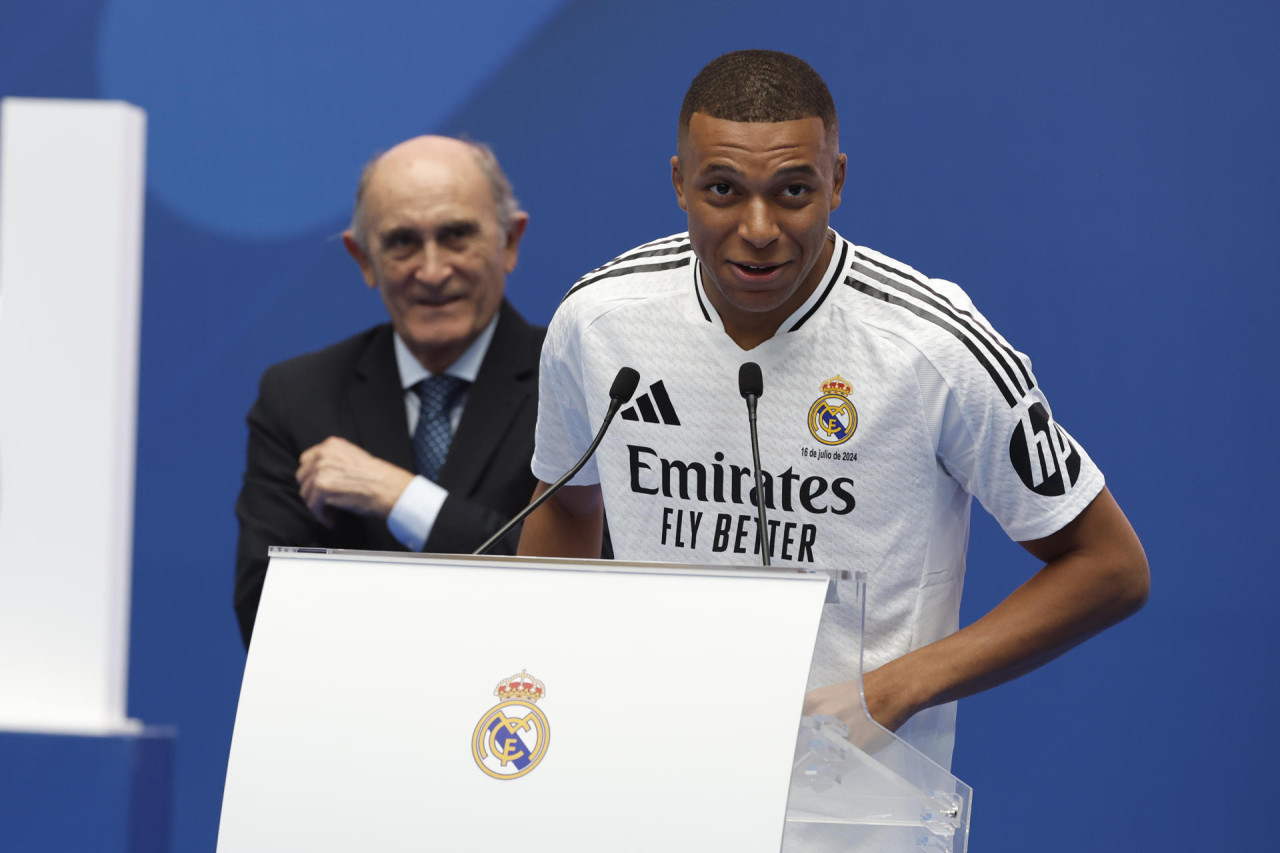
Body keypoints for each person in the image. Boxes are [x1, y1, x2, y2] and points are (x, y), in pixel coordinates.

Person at [518, 50, 1149, 770]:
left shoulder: (932, 345)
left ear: (837, 182)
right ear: (679, 184)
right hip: (653, 772)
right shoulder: (599, 321)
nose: (758, 228)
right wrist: (547, 687)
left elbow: (1110, 565)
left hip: (855, 802)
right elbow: (567, 506)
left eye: (792, 190)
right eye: (722, 189)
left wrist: (897, 686)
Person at [234, 136, 544, 648]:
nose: (432, 271)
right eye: (401, 242)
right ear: (363, 258)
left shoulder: (581, 389)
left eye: (456, 235)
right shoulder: (297, 398)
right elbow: (266, 612)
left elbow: (586, 586)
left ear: (510, 241)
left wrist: (402, 499)